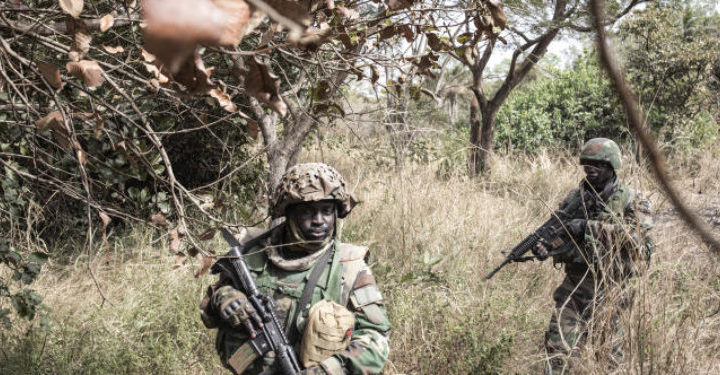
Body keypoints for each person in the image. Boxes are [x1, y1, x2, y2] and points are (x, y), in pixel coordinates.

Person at [200, 163, 391, 374]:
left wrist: (327, 371)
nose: (319, 221)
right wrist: (225, 297)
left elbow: (376, 339)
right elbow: (209, 315)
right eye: (307, 212)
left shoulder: (349, 266)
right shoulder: (253, 255)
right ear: (289, 214)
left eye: (327, 211)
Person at [532, 138, 653, 373]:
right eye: (586, 164)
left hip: (611, 289)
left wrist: (588, 227)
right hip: (575, 286)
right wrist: (549, 248)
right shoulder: (574, 199)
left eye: (597, 164)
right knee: (557, 350)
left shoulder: (632, 200)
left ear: (611, 166)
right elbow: (564, 235)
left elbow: (640, 243)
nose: (590, 169)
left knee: (607, 358)